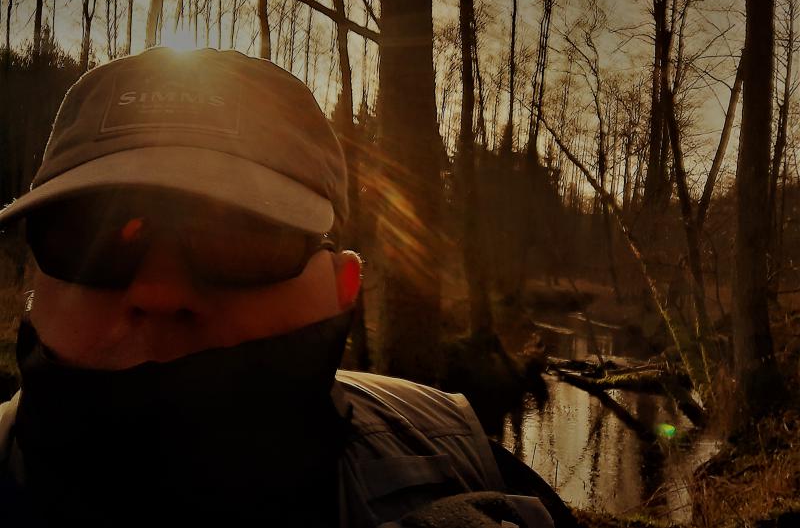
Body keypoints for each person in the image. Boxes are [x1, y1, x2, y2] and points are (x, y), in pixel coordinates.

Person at [0, 48, 566, 526]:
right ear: (34, 284)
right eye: (93, 236)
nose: (160, 292)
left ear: (344, 286)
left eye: (237, 236)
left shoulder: (457, 459)